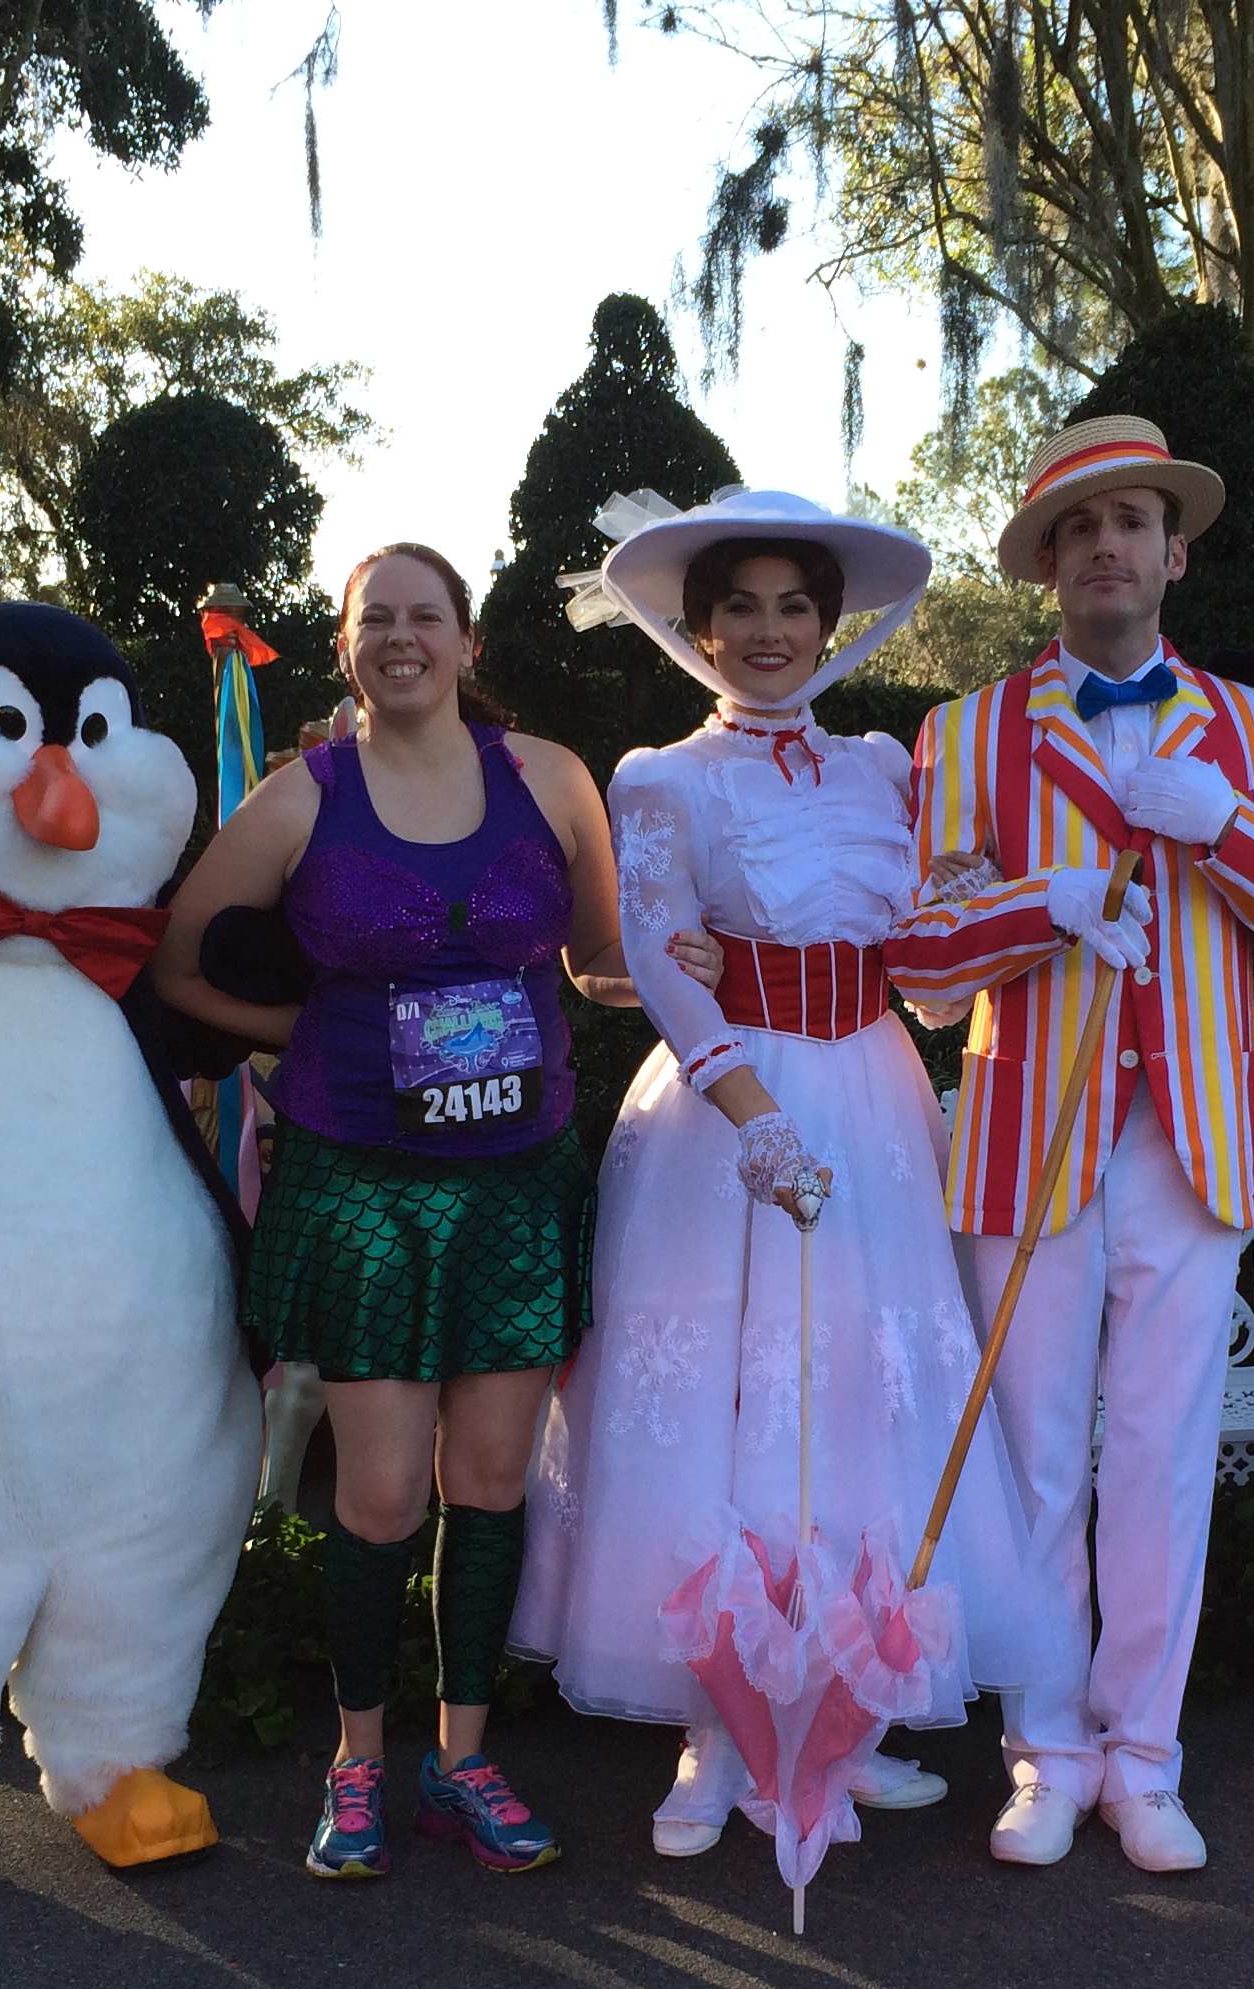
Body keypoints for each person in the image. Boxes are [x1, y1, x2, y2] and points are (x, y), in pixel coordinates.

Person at [512, 488, 1080, 1857]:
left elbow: (927, 971)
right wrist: (755, 1117)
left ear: (828, 624)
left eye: (792, 607)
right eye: (740, 608)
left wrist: (1009, 919)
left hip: (875, 1095)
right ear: (701, 629)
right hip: (729, 1115)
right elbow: (659, 961)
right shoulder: (664, 778)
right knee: (729, 1401)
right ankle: (720, 1732)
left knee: (861, 1399)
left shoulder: (888, 769)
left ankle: (844, 1712)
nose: (769, 631)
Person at [886, 417, 1254, 1872]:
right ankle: (1047, 1752)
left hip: (1193, 1143)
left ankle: (1145, 1756)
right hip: (1031, 1137)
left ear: (1174, 554)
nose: (1109, 546)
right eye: (1081, 527)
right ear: (1048, 562)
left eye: (1134, 522)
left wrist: (1222, 827)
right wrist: (1043, 906)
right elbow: (921, 964)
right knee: (1037, 1458)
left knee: (1160, 1461)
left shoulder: (1253, 732)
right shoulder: (968, 734)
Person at [154, 543, 624, 1881]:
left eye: (428, 617)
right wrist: (300, 1034)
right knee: (376, 1494)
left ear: (468, 643)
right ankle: (357, 1760)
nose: (403, 639)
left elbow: (596, 958)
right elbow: (178, 964)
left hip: (518, 1182)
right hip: (365, 1183)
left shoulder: (552, 779)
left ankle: (462, 1760)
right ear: (347, 648)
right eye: (378, 621)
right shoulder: (302, 797)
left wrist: (691, 971)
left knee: (490, 1483)